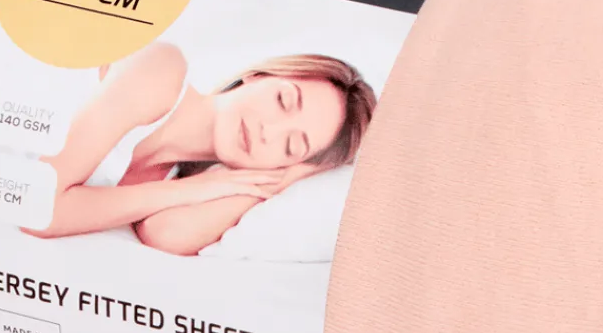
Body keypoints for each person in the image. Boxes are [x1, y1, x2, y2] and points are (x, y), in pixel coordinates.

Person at [22, 42, 376, 254]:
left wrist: (289, 177)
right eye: (283, 100)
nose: (268, 131)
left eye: (291, 146)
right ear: (259, 76)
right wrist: (193, 189)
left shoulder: (181, 181)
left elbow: (166, 235)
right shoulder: (160, 70)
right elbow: (34, 208)